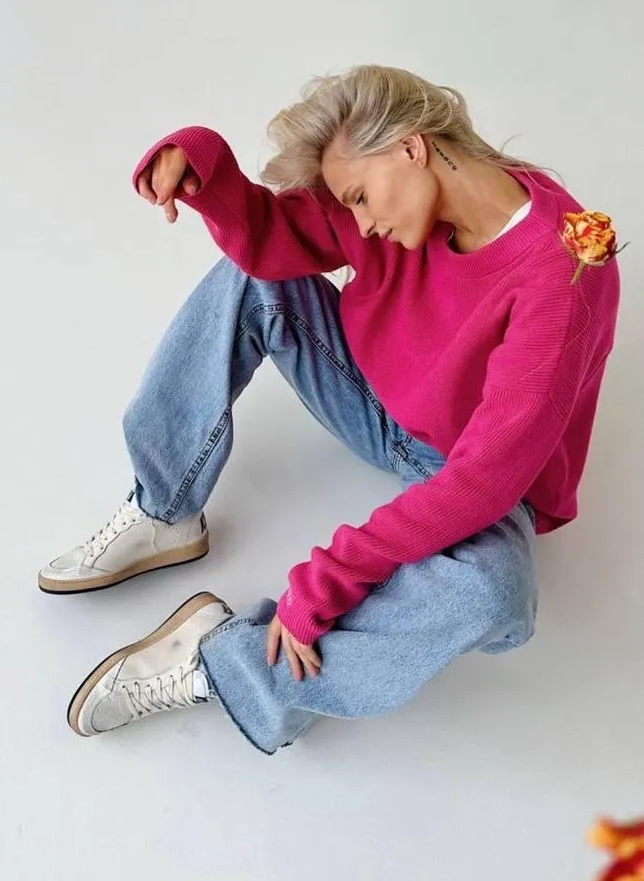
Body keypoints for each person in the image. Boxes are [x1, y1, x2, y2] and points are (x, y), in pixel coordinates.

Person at [40, 65, 620, 755]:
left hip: (473, 470)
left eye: (362, 197)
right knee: (252, 280)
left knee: (492, 596)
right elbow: (272, 240)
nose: (363, 222)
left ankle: (224, 663)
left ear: (411, 147)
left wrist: (332, 577)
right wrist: (202, 165)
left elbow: (485, 479)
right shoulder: (390, 203)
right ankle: (165, 509)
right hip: (374, 402)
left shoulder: (566, 269)